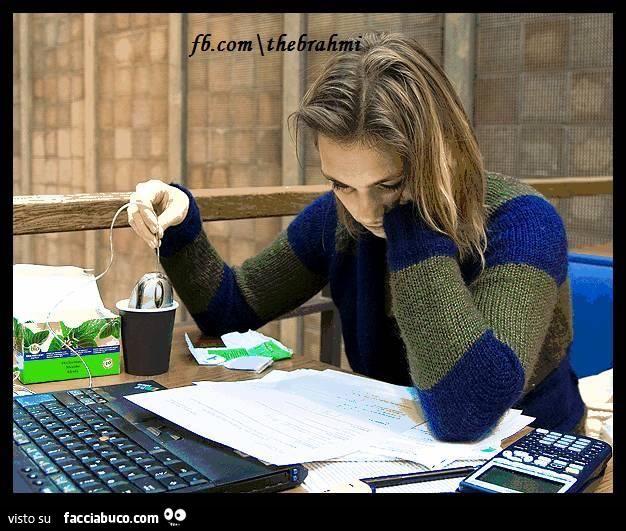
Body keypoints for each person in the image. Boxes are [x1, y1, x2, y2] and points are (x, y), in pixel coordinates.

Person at [128, 32, 586, 441]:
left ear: (441, 157)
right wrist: (180, 222)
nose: (364, 211)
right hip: (391, 446)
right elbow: (231, 308)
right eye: (341, 183)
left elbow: (468, 411)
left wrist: (415, 224)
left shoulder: (524, 222)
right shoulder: (337, 218)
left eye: (387, 185)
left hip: (532, 454)